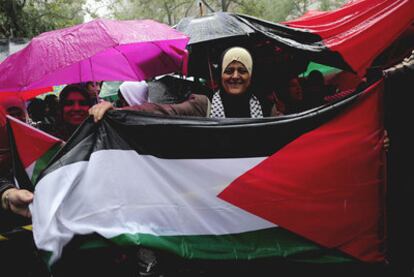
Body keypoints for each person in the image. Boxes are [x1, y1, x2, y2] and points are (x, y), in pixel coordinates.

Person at [89, 46, 276, 121]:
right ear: (221, 75)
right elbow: (163, 110)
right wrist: (116, 111)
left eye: (242, 70)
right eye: (229, 70)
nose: (235, 76)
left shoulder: (268, 108)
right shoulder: (203, 105)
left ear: (250, 76)